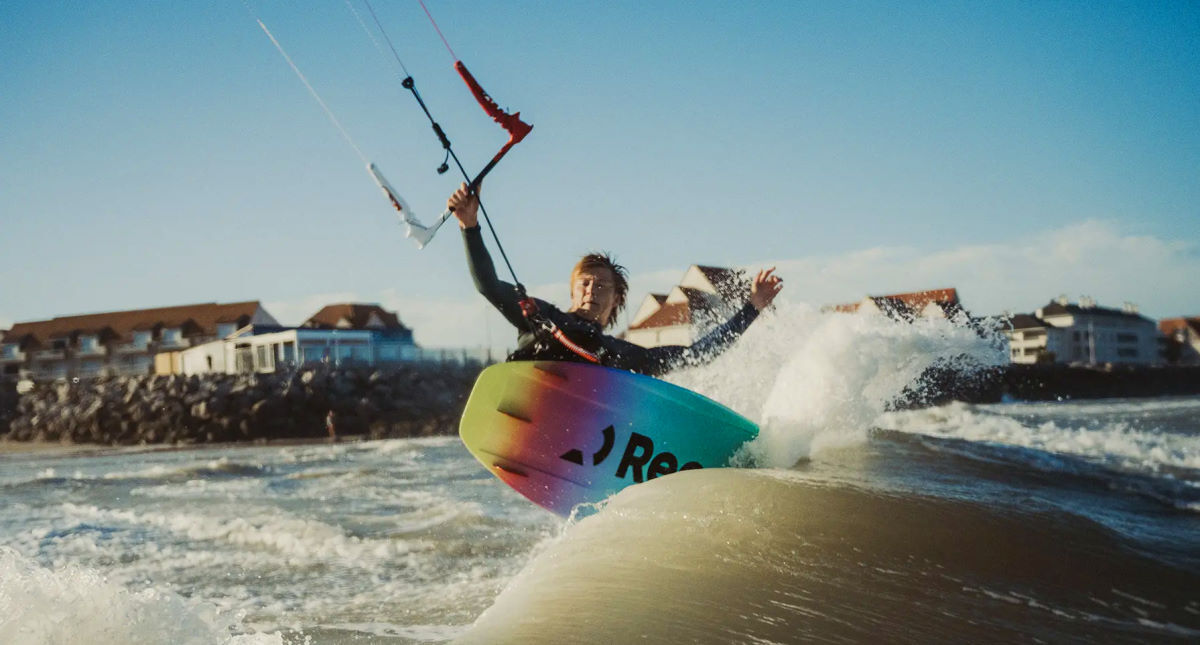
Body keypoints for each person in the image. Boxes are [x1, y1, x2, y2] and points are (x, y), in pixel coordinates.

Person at [447, 183, 783, 377]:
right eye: (585, 283)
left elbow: (698, 352)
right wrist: (469, 225)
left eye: (602, 286)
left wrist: (751, 308)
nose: (592, 289)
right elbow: (487, 285)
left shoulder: (623, 355)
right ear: (573, 291)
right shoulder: (540, 316)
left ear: (615, 301)